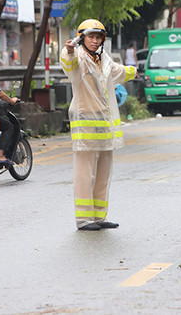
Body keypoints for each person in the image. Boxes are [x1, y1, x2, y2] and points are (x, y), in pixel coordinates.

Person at [62, 19, 137, 231]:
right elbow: (68, 63)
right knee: (85, 173)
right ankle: (84, 219)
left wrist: (134, 72)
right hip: (85, 122)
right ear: (81, 38)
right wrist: (68, 50)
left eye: (98, 37)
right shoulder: (78, 58)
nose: (95, 41)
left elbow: (117, 71)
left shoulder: (103, 59)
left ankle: (99, 216)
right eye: (91, 37)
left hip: (104, 124)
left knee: (104, 172)